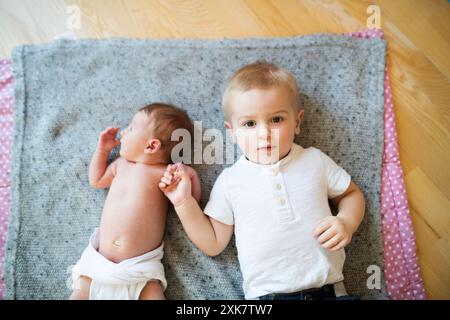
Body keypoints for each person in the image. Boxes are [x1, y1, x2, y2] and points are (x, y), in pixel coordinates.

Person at [159, 61, 365, 300]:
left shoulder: (314, 161)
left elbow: (351, 194)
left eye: (276, 120)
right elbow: (213, 243)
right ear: (232, 132)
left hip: (329, 291)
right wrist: (183, 203)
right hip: (267, 297)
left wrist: (346, 221)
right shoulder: (230, 181)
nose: (264, 133)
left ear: (297, 122)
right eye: (249, 124)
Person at [70, 103, 201, 300]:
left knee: (153, 293)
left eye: (130, 128)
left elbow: (192, 204)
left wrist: (189, 175)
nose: (123, 132)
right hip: (99, 260)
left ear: (151, 145)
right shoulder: (120, 165)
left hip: (141, 268)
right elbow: (96, 180)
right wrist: (102, 151)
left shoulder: (165, 174)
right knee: (80, 293)